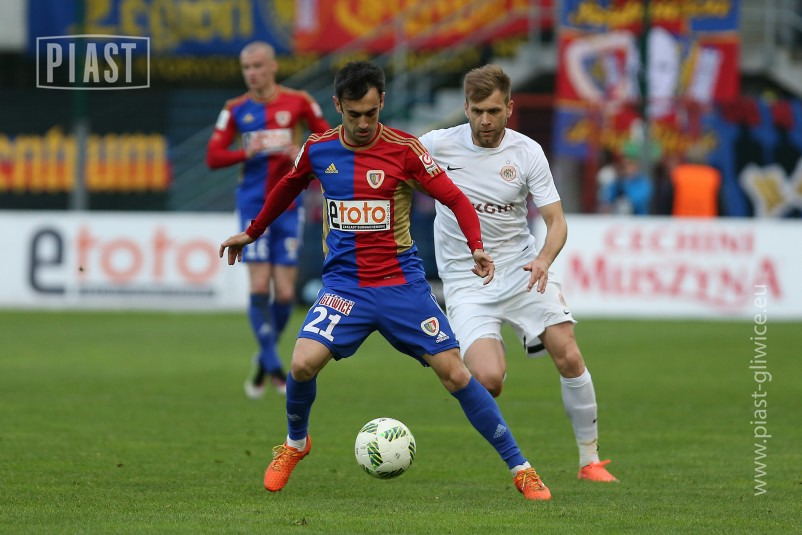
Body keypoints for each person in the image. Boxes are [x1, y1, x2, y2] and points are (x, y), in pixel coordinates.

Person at [219, 61, 552, 501]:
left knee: (455, 373)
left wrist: (476, 245)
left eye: (371, 113)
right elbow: (287, 186)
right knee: (301, 364)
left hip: (401, 287)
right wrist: (253, 231)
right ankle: (296, 443)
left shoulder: (405, 150)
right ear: (337, 105)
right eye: (354, 114)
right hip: (345, 288)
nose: (363, 124)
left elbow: (455, 198)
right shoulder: (319, 149)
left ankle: (521, 468)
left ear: (382, 104)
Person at [419, 64, 617, 483]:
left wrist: (544, 259)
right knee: (488, 380)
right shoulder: (437, 145)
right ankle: (512, 345)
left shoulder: (527, 152)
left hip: (522, 268)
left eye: (493, 111)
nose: (484, 121)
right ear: (466, 108)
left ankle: (590, 461)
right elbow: (391, 169)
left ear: (510, 108)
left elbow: (556, 221)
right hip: (467, 281)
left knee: (568, 352)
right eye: (476, 111)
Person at [206, 41, 331, 398]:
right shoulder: (235, 109)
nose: (252, 73)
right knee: (260, 286)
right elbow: (213, 157)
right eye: (246, 67)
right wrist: (246, 152)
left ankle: (264, 359)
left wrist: (303, 151)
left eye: (258, 66)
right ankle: (274, 363)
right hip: (252, 206)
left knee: (286, 292)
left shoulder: (299, 101)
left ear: (273, 67)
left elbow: (327, 138)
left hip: (289, 206)